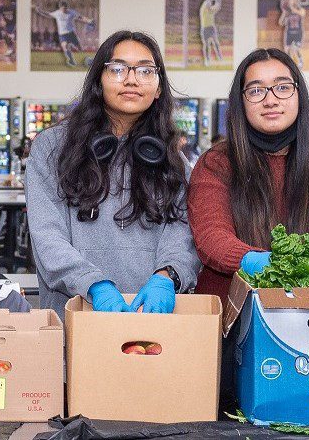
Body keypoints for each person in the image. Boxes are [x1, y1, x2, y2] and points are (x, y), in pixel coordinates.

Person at [25, 31, 198, 313]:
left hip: (150, 320)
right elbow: (47, 237)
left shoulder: (173, 162)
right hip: (74, 316)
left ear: (158, 89)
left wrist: (167, 276)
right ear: (98, 81)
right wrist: (94, 284)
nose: (131, 79)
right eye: (117, 69)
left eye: (145, 70)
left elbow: (181, 233)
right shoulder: (51, 149)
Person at [190, 48, 309, 299]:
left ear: (299, 95)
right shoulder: (216, 164)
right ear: (240, 103)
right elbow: (212, 235)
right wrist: (255, 262)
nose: (271, 99)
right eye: (255, 90)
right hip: (230, 317)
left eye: (283, 87)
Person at [35, 0, 94, 67]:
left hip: (71, 33)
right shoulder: (57, 13)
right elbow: (47, 14)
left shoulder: (72, 12)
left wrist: (89, 20)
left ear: (67, 7)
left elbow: (81, 17)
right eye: (63, 8)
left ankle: (88, 60)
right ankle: (71, 60)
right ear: (60, 8)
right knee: (65, 46)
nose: (64, 10)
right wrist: (39, 11)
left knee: (79, 48)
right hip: (62, 35)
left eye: (65, 8)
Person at [280, 0, 308, 64]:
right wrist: (284, 13)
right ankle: (290, 64)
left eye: (294, 0)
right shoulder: (287, 12)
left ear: (297, 1)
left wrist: (291, 8)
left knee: (296, 49)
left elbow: (302, 14)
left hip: (298, 33)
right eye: (292, 0)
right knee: (287, 50)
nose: (293, 1)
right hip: (289, 33)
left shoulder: (301, 10)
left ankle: (300, 61)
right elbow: (280, 23)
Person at [199, 0, 224, 66]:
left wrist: (218, 2)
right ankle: (207, 60)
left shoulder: (211, 9)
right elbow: (209, 5)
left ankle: (220, 57)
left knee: (216, 43)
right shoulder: (205, 5)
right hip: (205, 28)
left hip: (211, 28)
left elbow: (216, 8)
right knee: (206, 45)